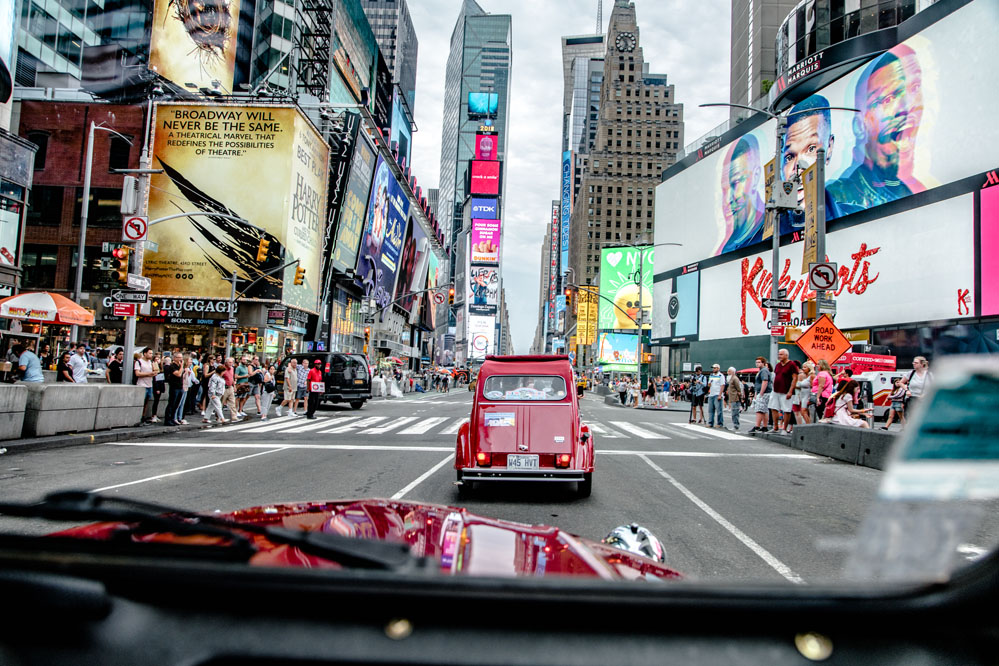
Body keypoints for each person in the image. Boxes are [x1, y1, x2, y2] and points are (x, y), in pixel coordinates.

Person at [826, 46, 925, 215]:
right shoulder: (837, 197)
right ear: (859, 126)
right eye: (888, 99)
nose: (906, 107)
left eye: (914, 88)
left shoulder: (913, 190)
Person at [717, 134, 766, 254]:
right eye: (725, 189)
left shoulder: (774, 228)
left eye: (736, 182)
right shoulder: (726, 248)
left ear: (756, 177)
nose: (728, 198)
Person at [769, 349, 799, 434]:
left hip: (786, 390)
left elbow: (794, 378)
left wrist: (790, 391)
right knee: (773, 407)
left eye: (781, 354)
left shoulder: (791, 364)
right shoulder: (778, 365)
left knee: (787, 409)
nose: (779, 356)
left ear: (786, 355)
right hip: (776, 390)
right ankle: (775, 427)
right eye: (779, 354)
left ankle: (784, 429)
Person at [749, 357, 772, 433]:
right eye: (756, 362)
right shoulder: (762, 370)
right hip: (765, 392)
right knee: (765, 410)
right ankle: (764, 426)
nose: (757, 364)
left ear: (763, 363)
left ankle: (757, 426)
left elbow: (765, 381)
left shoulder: (763, 371)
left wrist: (761, 393)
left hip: (764, 393)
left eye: (759, 362)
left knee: (759, 410)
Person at [164, 352, 185, 427]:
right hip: (174, 387)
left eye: (181, 357)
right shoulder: (172, 366)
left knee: (176, 404)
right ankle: (168, 419)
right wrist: (182, 366)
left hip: (180, 386)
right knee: (172, 403)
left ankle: (173, 418)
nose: (181, 359)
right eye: (179, 357)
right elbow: (178, 374)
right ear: (175, 358)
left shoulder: (179, 366)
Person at [794, 362, 814, 427]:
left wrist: (811, 396)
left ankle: (809, 426)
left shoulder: (811, 376)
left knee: (803, 411)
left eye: (805, 367)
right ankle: (808, 425)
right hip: (803, 396)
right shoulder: (805, 376)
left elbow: (813, 387)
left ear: (809, 368)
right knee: (804, 412)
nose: (803, 368)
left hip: (807, 396)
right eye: (803, 367)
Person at [705, 364, 726, 428]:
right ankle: (710, 422)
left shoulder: (721, 376)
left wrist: (720, 395)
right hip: (711, 394)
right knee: (711, 410)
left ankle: (720, 423)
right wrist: (709, 385)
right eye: (713, 368)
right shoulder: (711, 375)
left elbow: (722, 385)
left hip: (717, 394)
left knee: (719, 410)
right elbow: (709, 385)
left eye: (715, 368)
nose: (713, 369)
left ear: (718, 368)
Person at [221, 357, 241, 421]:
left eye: (232, 362)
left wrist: (234, 386)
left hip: (230, 387)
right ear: (226, 362)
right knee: (221, 403)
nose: (231, 364)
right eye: (229, 362)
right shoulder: (222, 368)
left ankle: (234, 416)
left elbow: (232, 377)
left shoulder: (232, 368)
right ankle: (218, 416)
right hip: (224, 387)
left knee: (232, 403)